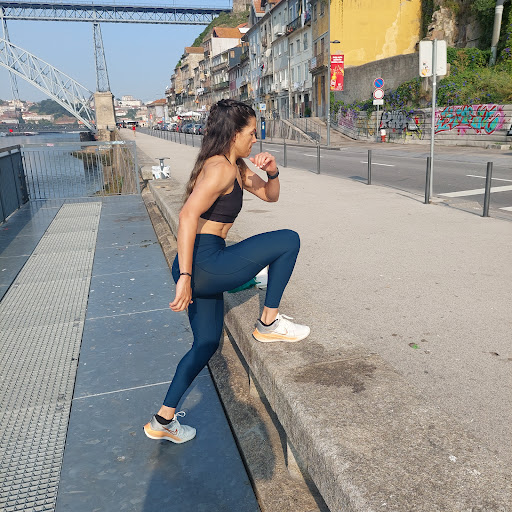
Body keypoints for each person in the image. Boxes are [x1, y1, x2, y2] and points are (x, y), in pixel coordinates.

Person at [144, 99, 310, 444]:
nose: (256, 138)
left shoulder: (233, 165)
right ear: (234, 134)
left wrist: (273, 171)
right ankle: (268, 324)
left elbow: (270, 196)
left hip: (202, 263)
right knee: (288, 239)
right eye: (252, 132)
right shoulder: (220, 168)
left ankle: (162, 421)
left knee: (205, 343)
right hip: (204, 263)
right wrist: (186, 278)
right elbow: (187, 216)